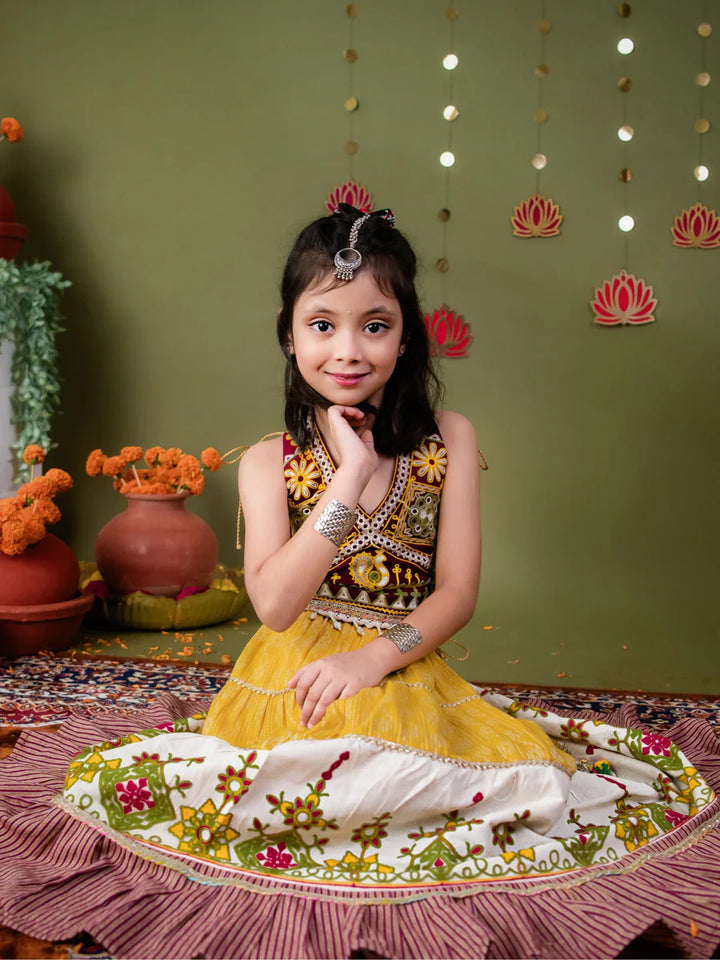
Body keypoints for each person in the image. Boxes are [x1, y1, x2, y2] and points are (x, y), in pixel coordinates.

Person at [1, 205, 719, 960]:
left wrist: (373, 658)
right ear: (289, 332)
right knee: (314, 778)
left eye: (374, 325)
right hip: (295, 678)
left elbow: (457, 593)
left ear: (405, 334)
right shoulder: (266, 461)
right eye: (322, 325)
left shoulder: (450, 438)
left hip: (402, 666)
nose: (348, 350)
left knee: (534, 789)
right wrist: (348, 480)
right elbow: (276, 606)